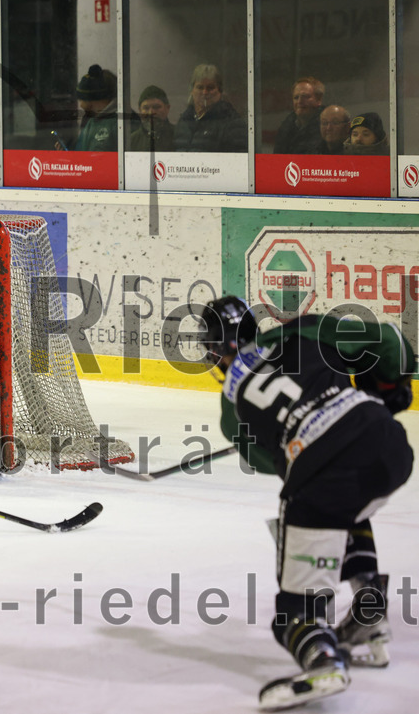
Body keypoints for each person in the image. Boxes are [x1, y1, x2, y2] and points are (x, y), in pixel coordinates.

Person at [200, 297, 414, 710]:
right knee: (343, 506)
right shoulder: (302, 332)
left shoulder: (231, 414)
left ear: (212, 352)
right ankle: (369, 617)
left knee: (293, 616)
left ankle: (323, 659)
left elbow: (278, 464)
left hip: (324, 469)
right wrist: (387, 388)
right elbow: (389, 342)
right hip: (389, 445)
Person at [173, 64, 247, 152]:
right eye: (200, 87)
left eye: (210, 88)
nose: (205, 92)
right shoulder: (184, 121)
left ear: (220, 91)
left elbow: (239, 160)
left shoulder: (232, 122)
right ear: (192, 90)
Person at [73, 65, 124, 152]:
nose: (81, 105)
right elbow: (81, 153)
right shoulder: (89, 120)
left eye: (82, 99)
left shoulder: (122, 121)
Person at [274, 77, 325, 154]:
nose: (300, 101)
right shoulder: (286, 127)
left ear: (319, 100)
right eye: (296, 97)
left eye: (306, 97)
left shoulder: (327, 126)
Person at [129, 85, 174, 152]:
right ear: (140, 110)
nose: (151, 112)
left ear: (167, 108)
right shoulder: (131, 141)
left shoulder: (179, 136)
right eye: (146, 108)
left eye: (156, 107)